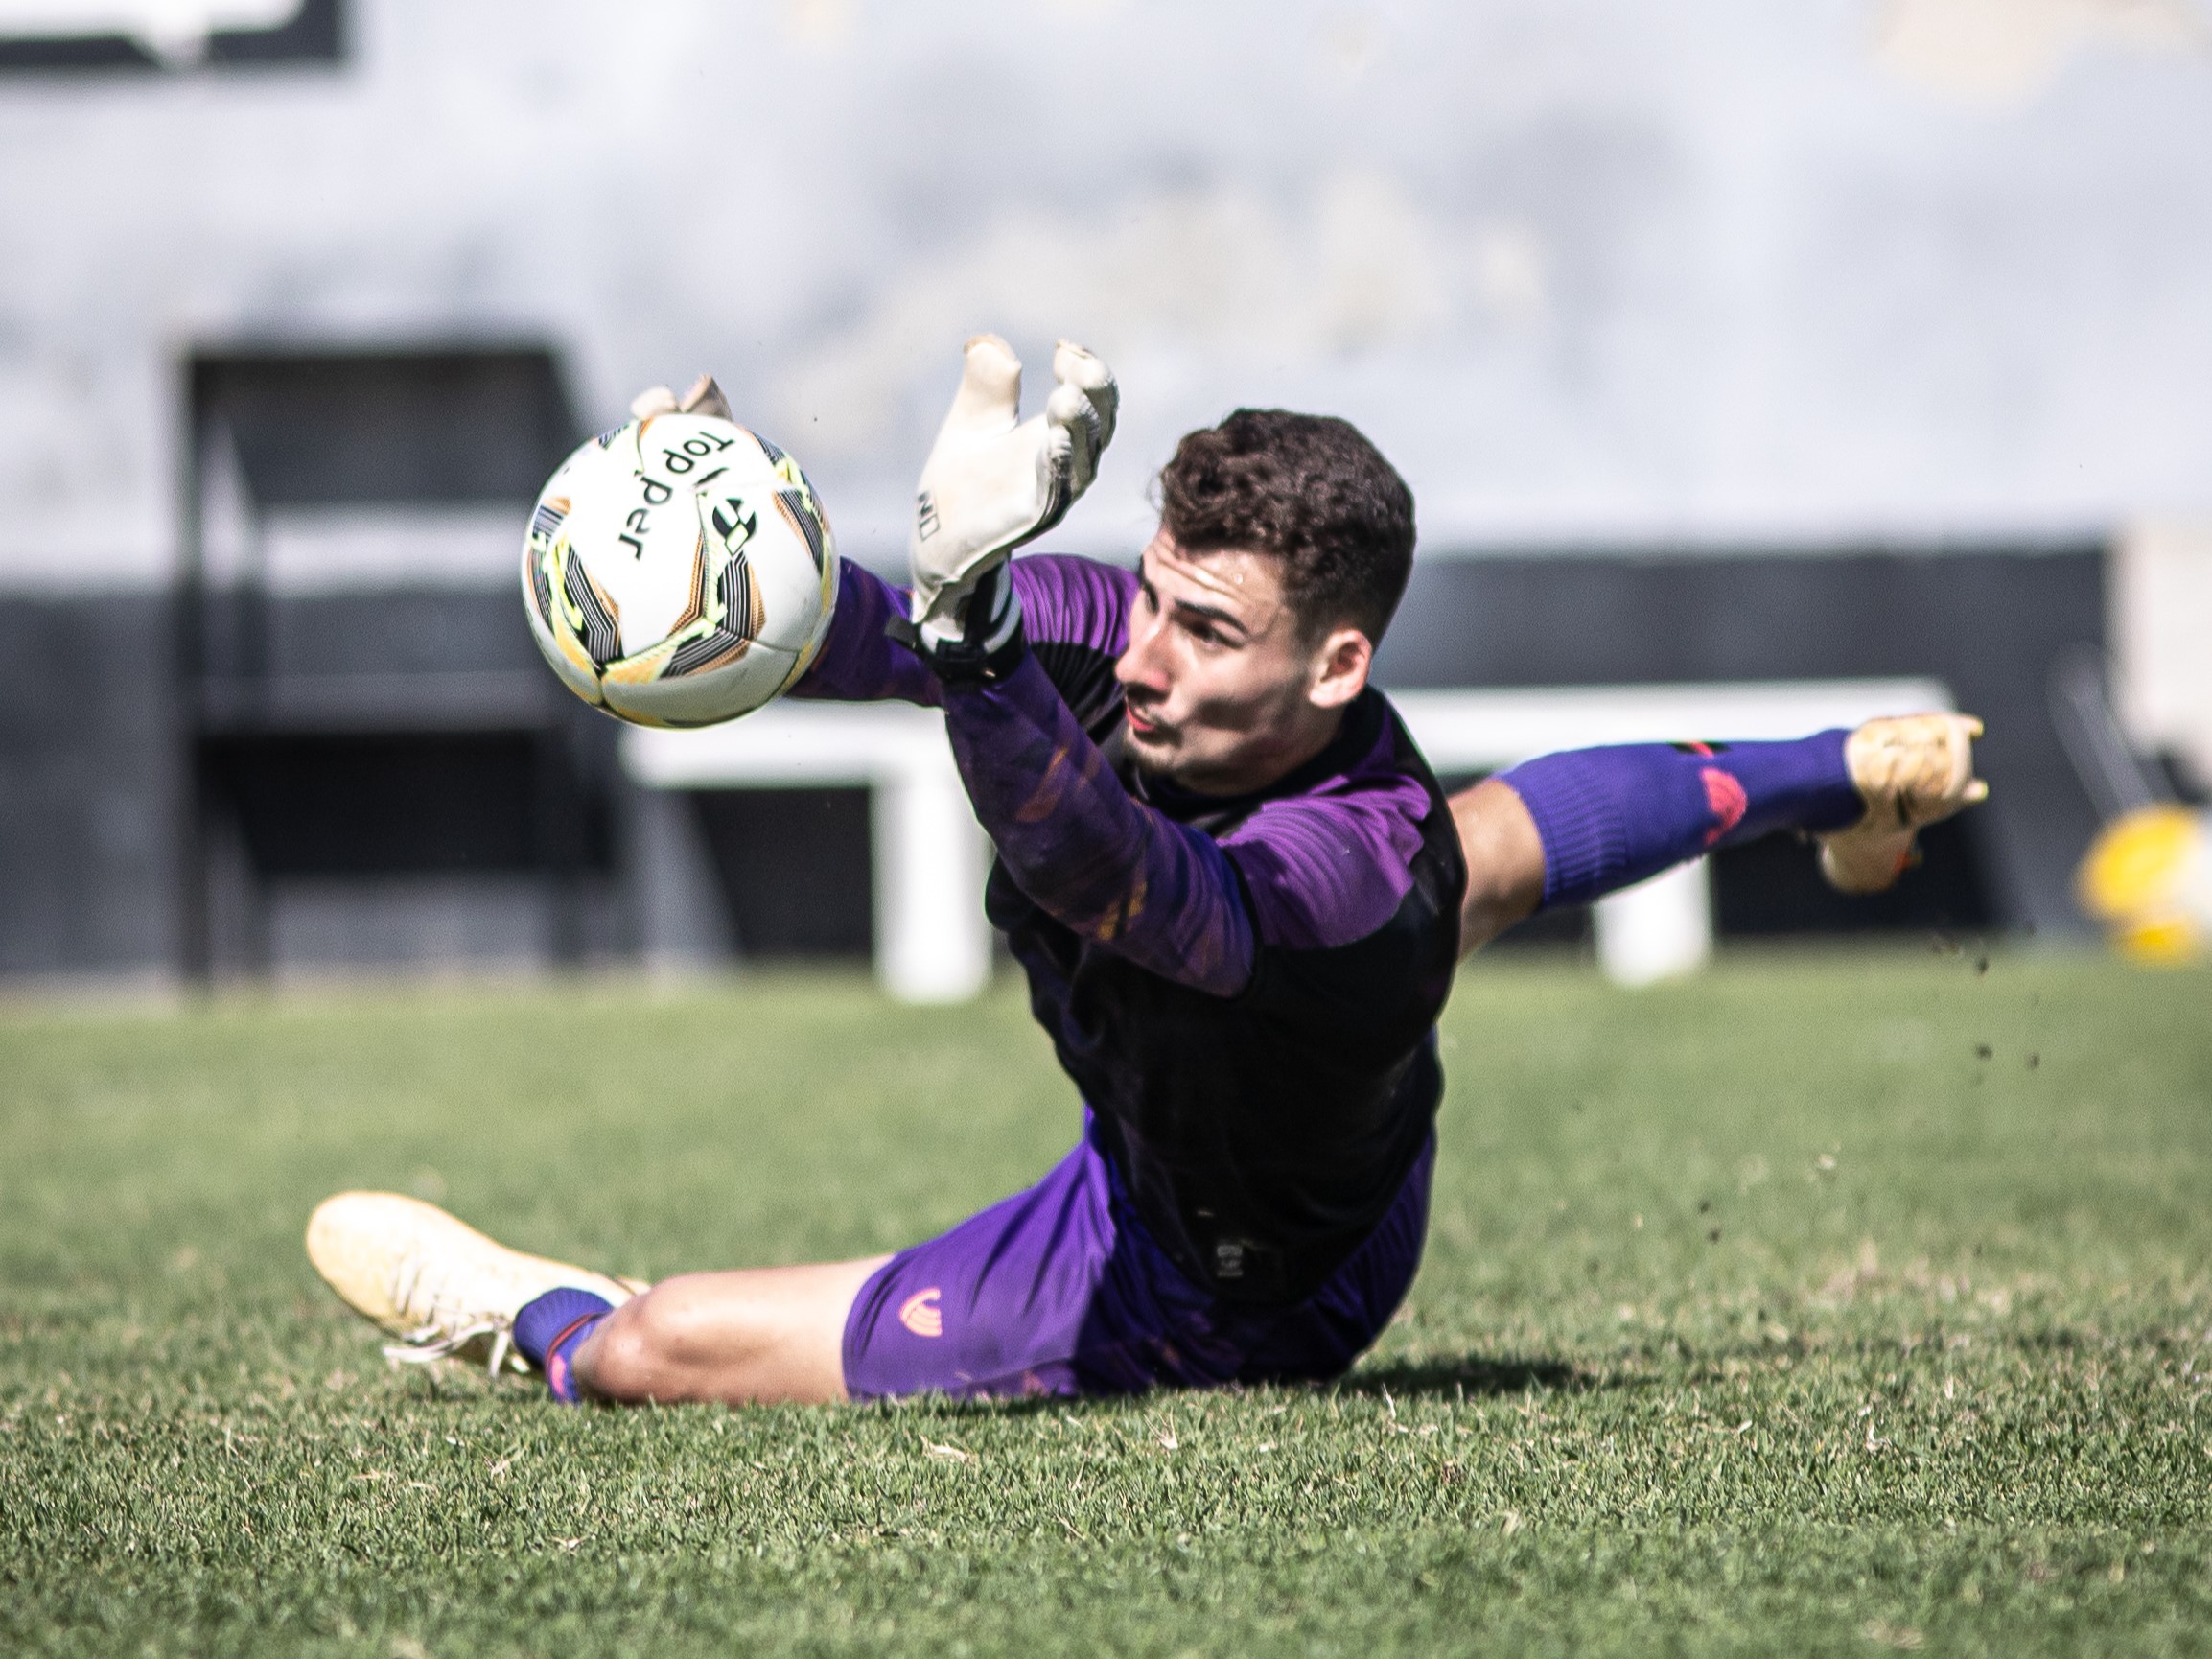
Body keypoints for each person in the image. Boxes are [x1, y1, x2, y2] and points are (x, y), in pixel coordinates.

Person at [306, 337, 1987, 1406]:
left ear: (1338, 667)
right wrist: (733, 549)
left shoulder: (1338, 879)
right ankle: (1839, 773)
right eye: (1158, 593)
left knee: (663, 1346)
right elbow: (884, 639)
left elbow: (1105, 874)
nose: (1153, 653)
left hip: (1224, 1277)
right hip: (1268, 1109)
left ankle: (529, 1320)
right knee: (1490, 854)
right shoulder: (1177, 647)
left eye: (1210, 627)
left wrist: (972, 639)